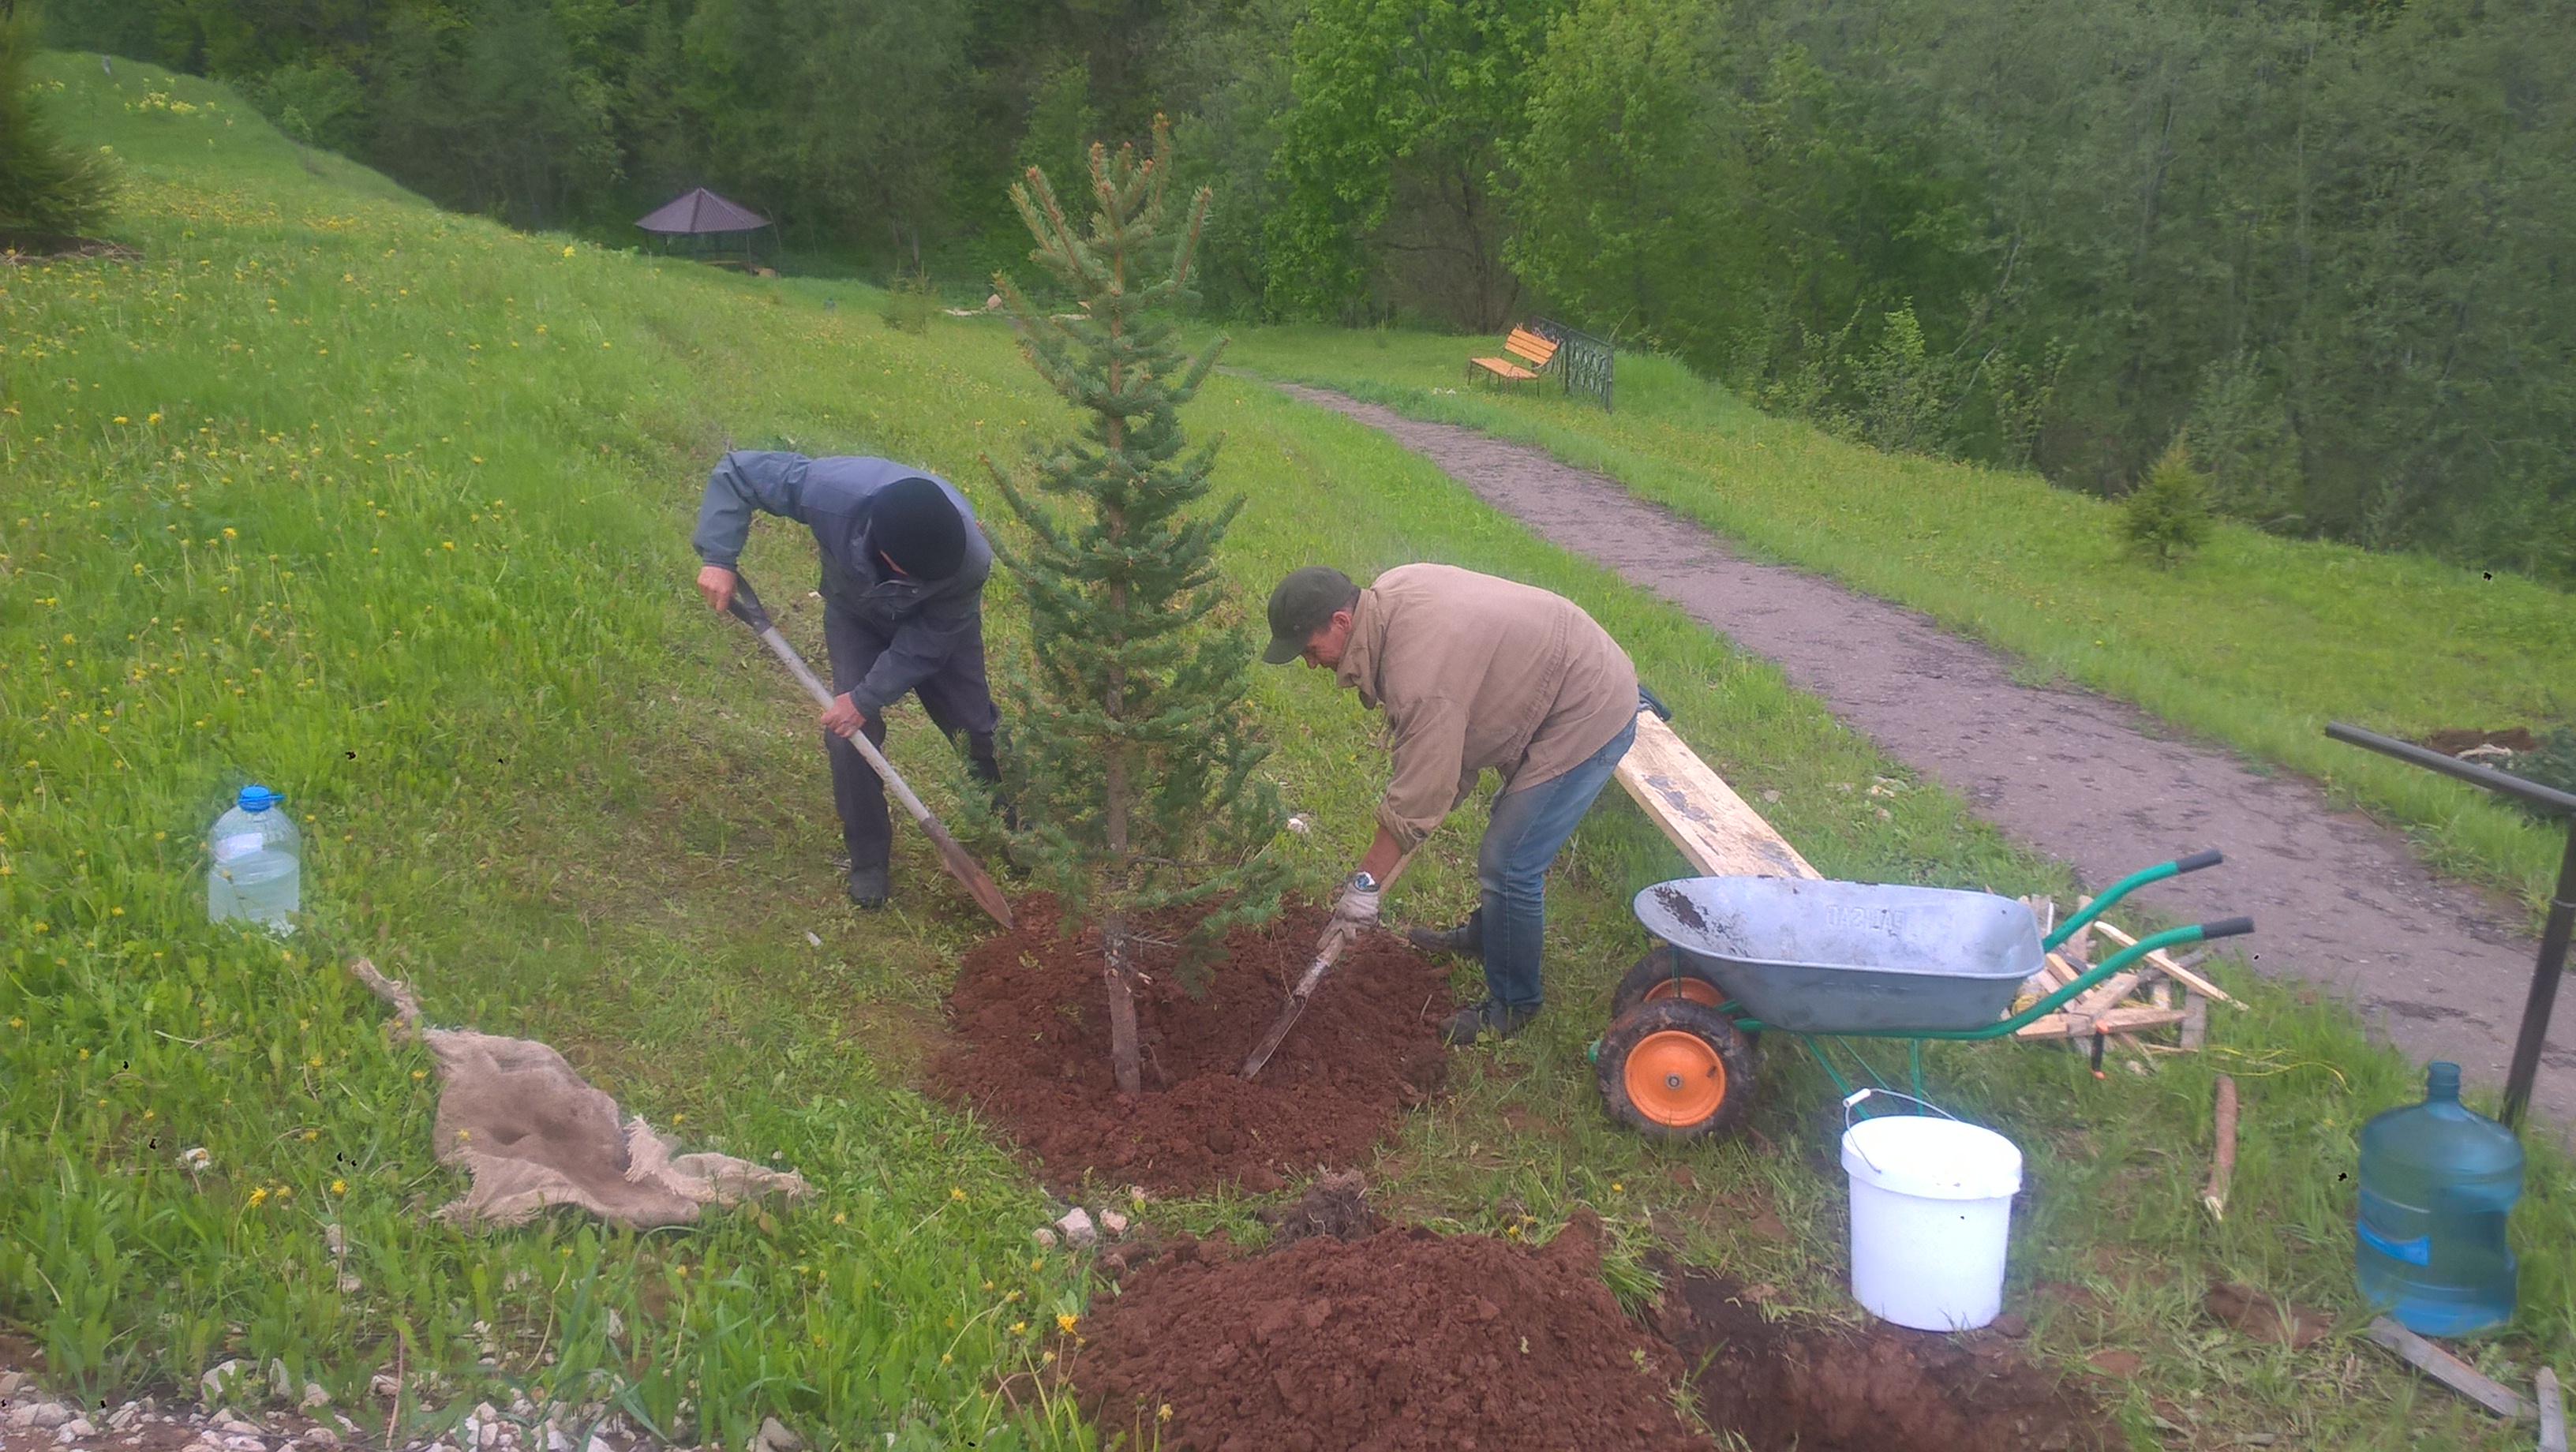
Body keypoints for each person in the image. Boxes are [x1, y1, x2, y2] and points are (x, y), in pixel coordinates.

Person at [1264, 563, 1639, 1045]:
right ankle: (1491, 938)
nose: (1311, 664)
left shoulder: (1420, 676)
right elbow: (1442, 763)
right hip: (1547, 675)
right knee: (1507, 831)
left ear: (1341, 621)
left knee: (1509, 861)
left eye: (1310, 651)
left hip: (1586, 705)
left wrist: (1364, 885)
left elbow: (1420, 789)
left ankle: (1514, 1003)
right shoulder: (1389, 599)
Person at [691, 450, 1002, 908]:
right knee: (849, 735)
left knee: (974, 725)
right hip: (855, 614)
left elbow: (925, 646)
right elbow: (739, 472)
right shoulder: (832, 492)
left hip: (935, 629)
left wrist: (866, 695)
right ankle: (869, 860)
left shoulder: (969, 560)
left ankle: (1013, 822)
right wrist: (719, 556)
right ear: (888, 554)